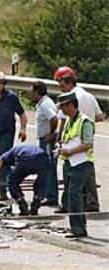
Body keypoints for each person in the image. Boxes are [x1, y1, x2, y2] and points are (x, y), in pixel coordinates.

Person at [54, 66, 103, 213]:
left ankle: (69, 205)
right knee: (88, 173)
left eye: (61, 85)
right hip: (87, 142)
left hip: (73, 144)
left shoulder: (69, 99)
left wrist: (59, 140)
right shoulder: (89, 96)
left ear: (68, 82)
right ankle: (92, 203)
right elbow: (100, 117)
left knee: (71, 176)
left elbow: (62, 121)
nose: (61, 88)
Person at [0, 70, 28, 201]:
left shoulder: (11, 97)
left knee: (4, 158)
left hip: (7, 132)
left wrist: (23, 128)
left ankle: (3, 188)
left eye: (1, 83)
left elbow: (22, 114)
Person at [57, 92, 94, 238]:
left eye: (63, 106)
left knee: (75, 195)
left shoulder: (84, 122)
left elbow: (88, 144)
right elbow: (68, 138)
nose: (62, 110)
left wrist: (70, 150)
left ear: (70, 105)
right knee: (71, 195)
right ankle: (76, 227)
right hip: (69, 162)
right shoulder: (69, 120)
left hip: (81, 163)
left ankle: (79, 229)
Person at [0, 145, 49, 215]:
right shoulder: (23, 148)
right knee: (41, 182)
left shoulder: (9, 153)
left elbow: (0, 160)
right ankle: (37, 200)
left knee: (12, 182)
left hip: (25, 159)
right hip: (43, 159)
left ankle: (21, 202)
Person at [30, 81, 59, 206]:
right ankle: (47, 194)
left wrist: (50, 133)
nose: (31, 93)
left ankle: (51, 196)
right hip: (44, 139)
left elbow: (54, 118)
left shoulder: (45, 105)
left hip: (47, 140)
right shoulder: (44, 103)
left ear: (37, 92)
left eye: (32, 91)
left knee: (49, 167)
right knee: (46, 166)